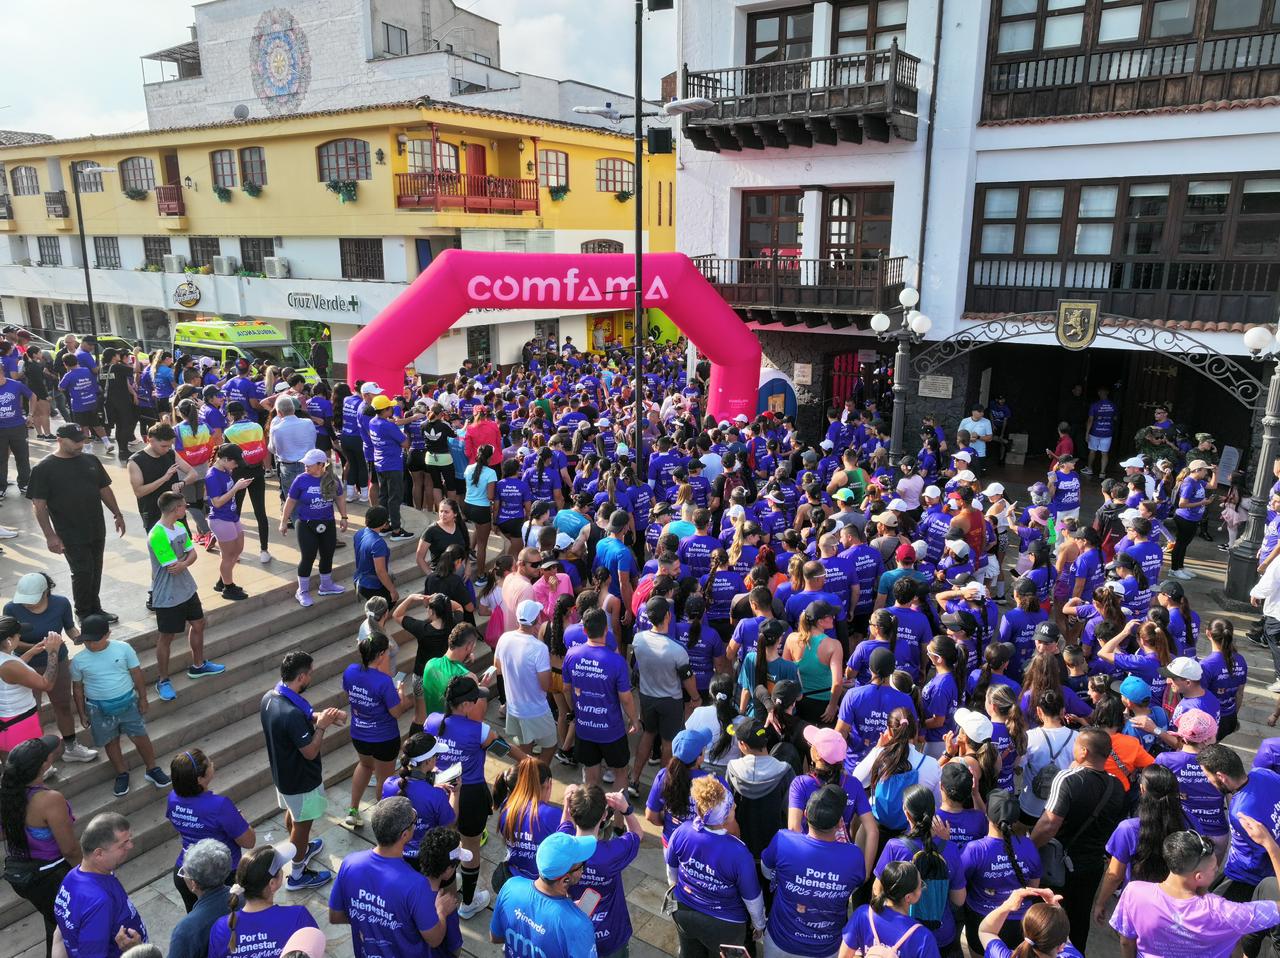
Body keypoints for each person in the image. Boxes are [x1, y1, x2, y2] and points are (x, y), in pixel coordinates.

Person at [1110, 827, 1280, 958]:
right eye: (1214, 869)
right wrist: (1271, 847)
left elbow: (1126, 941)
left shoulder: (1135, 892)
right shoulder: (1223, 911)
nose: (1216, 871)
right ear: (1198, 877)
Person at [1029, 726, 1125, 949]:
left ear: (1083, 752)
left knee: (1048, 918)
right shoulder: (1117, 786)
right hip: (1092, 866)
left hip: (1058, 866)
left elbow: (1049, 823)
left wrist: (1030, 846)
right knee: (1079, 920)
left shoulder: (1067, 779)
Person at [259, 651, 346, 891]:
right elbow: (310, 750)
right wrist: (322, 728)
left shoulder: (270, 697)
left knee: (294, 815)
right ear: (301, 677)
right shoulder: (291, 715)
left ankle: (302, 848)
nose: (311, 677)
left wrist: (324, 716)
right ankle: (297, 873)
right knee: (303, 824)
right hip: (301, 780)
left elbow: (304, 717)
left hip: (283, 775)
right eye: (310, 674)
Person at [329, 796, 459, 956]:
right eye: (414, 821)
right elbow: (435, 939)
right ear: (405, 835)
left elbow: (335, 916)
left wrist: (372, 920)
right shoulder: (416, 885)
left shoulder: (349, 863)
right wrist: (442, 912)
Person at [26, 423, 127, 623]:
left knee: (95, 569)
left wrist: (117, 513)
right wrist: (50, 536)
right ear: (60, 440)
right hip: (69, 532)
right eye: (76, 441)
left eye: (82, 440)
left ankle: (95, 608)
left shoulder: (90, 460)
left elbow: (104, 489)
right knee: (82, 571)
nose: (80, 444)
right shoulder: (44, 468)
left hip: (96, 527)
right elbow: (39, 505)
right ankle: (84, 613)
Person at [665, 775, 766, 957]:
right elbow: (752, 898)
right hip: (725, 926)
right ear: (725, 817)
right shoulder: (739, 853)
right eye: (732, 806)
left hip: (683, 912)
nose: (735, 806)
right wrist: (759, 925)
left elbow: (671, 871)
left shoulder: (682, 831)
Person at [761, 783, 866, 958]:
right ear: (840, 823)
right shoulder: (854, 856)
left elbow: (766, 871)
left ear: (805, 814)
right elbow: (853, 887)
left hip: (780, 943)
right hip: (826, 949)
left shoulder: (783, 840)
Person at [69, 615, 170, 798]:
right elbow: (77, 688)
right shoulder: (79, 660)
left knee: (140, 736)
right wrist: (82, 714)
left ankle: (152, 768)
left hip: (128, 702)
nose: (91, 644)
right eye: (87, 640)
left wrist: (143, 698)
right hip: (97, 708)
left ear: (108, 634)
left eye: (95, 640)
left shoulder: (123, 649)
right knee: (111, 741)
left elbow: (137, 674)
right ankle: (121, 773)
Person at [425, 675, 499, 921]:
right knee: (471, 846)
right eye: (476, 699)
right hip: (471, 795)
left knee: (443, 843)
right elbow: (505, 749)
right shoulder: (481, 731)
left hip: (439, 791)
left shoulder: (432, 721)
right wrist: (529, 762)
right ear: (466, 705)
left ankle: (441, 890)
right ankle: (467, 902)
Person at [0, 735, 79, 956]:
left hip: (23, 875)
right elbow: (70, 849)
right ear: (44, 765)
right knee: (68, 930)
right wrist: (90, 874)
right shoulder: (49, 800)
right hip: (51, 876)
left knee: (53, 921)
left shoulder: (8, 792)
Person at [147, 492, 225, 701]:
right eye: (183, 506)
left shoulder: (180, 527)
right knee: (166, 637)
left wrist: (184, 562)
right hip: (168, 595)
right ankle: (163, 680)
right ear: (175, 509)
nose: (185, 509)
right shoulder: (157, 535)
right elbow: (173, 567)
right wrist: (184, 562)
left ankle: (198, 665)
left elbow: (192, 555)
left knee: (198, 624)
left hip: (187, 589)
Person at [165, 748, 254, 912]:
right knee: (231, 926)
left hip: (186, 873)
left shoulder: (172, 797)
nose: (212, 763)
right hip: (222, 876)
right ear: (199, 779)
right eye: (209, 763)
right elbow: (249, 841)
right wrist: (241, 821)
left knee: (199, 923)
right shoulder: (220, 806)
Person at [341, 631, 414, 830]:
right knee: (384, 779)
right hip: (384, 738)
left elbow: (349, 692)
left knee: (364, 766)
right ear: (381, 655)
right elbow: (397, 712)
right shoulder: (384, 682)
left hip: (359, 733)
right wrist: (400, 695)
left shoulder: (350, 671)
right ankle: (382, 822)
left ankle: (353, 810)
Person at [489, 830, 599, 958]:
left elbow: (495, 937)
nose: (583, 870)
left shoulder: (511, 886)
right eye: (582, 865)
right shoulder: (579, 926)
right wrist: (574, 919)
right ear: (565, 879)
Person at [563, 783, 643, 958]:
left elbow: (565, 825)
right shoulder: (611, 853)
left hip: (573, 933)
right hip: (610, 934)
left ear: (573, 812)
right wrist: (626, 809)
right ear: (605, 815)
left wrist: (566, 804)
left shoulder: (561, 847)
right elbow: (637, 833)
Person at [629, 596, 699, 795]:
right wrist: (695, 698)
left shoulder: (638, 640)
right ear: (668, 616)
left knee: (648, 735)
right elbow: (687, 679)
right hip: (670, 700)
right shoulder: (677, 650)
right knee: (668, 741)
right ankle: (662, 787)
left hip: (647, 697)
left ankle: (634, 780)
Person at [563, 607, 639, 788]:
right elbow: (626, 698)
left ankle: (591, 813)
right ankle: (620, 816)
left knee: (590, 776)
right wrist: (634, 719)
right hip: (611, 730)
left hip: (585, 729)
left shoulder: (571, 655)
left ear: (584, 631)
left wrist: (575, 711)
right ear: (606, 629)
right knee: (620, 772)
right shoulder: (617, 661)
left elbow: (567, 688)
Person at [52, 813, 147, 958]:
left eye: (129, 839)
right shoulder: (99, 901)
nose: (131, 845)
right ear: (99, 854)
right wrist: (136, 950)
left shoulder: (72, 877)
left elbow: (60, 934)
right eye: (123, 844)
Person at [960, 789, 1041, 953]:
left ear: (987, 815)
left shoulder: (975, 850)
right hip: (1020, 924)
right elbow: (1034, 887)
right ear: (1015, 819)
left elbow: (959, 882)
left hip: (982, 920)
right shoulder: (1029, 846)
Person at [1198, 741, 1280, 901]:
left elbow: (1261, 853)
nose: (1208, 780)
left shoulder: (1239, 813)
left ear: (1221, 777)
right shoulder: (1264, 773)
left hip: (1246, 876)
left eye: (1207, 775)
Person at [206, 842, 318, 958]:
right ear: (272, 883)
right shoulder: (298, 917)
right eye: (280, 868)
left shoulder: (220, 928)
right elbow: (315, 951)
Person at [280, 448, 349, 607]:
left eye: (309, 464)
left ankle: (326, 585)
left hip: (328, 522)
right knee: (308, 556)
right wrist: (284, 521)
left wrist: (344, 517)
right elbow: (290, 500)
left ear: (320, 465)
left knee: (327, 554)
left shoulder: (331, 479)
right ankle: (302, 591)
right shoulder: (301, 479)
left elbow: (339, 497)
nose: (306, 467)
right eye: (305, 464)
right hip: (306, 524)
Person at [494, 599, 557, 766]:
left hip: (514, 709)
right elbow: (545, 685)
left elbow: (497, 667)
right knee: (550, 746)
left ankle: (526, 778)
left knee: (524, 750)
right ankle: (538, 777)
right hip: (537, 710)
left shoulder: (504, 638)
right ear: (536, 621)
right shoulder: (539, 648)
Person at [379, 733, 456, 864]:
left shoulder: (389, 784)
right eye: (436, 756)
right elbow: (449, 825)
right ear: (428, 761)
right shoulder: (436, 795)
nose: (437, 759)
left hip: (395, 855)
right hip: (425, 858)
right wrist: (456, 793)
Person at [838, 861, 939, 958]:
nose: (921, 887)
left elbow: (844, 956)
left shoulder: (862, 914)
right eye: (920, 885)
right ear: (908, 897)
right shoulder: (923, 937)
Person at [167, 839, 232, 958]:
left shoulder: (187, 930)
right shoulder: (248, 900)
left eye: (184, 873)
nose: (183, 876)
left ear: (194, 884)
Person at [976, 888, 1079, 958]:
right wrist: (1056, 911)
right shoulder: (1072, 956)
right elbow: (1065, 939)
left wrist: (1007, 905)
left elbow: (986, 931)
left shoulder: (1002, 955)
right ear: (1061, 947)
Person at [267, 396, 317, 506]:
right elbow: (313, 440)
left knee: (293, 503)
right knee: (310, 499)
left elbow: (272, 449)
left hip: (288, 467)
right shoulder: (308, 422)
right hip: (308, 465)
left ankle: (297, 522)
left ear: (279, 412)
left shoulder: (276, 428)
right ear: (293, 409)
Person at [354, 506, 398, 603]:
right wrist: (393, 591)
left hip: (360, 579)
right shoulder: (378, 543)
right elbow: (380, 572)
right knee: (383, 611)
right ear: (383, 524)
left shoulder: (359, 533)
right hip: (372, 586)